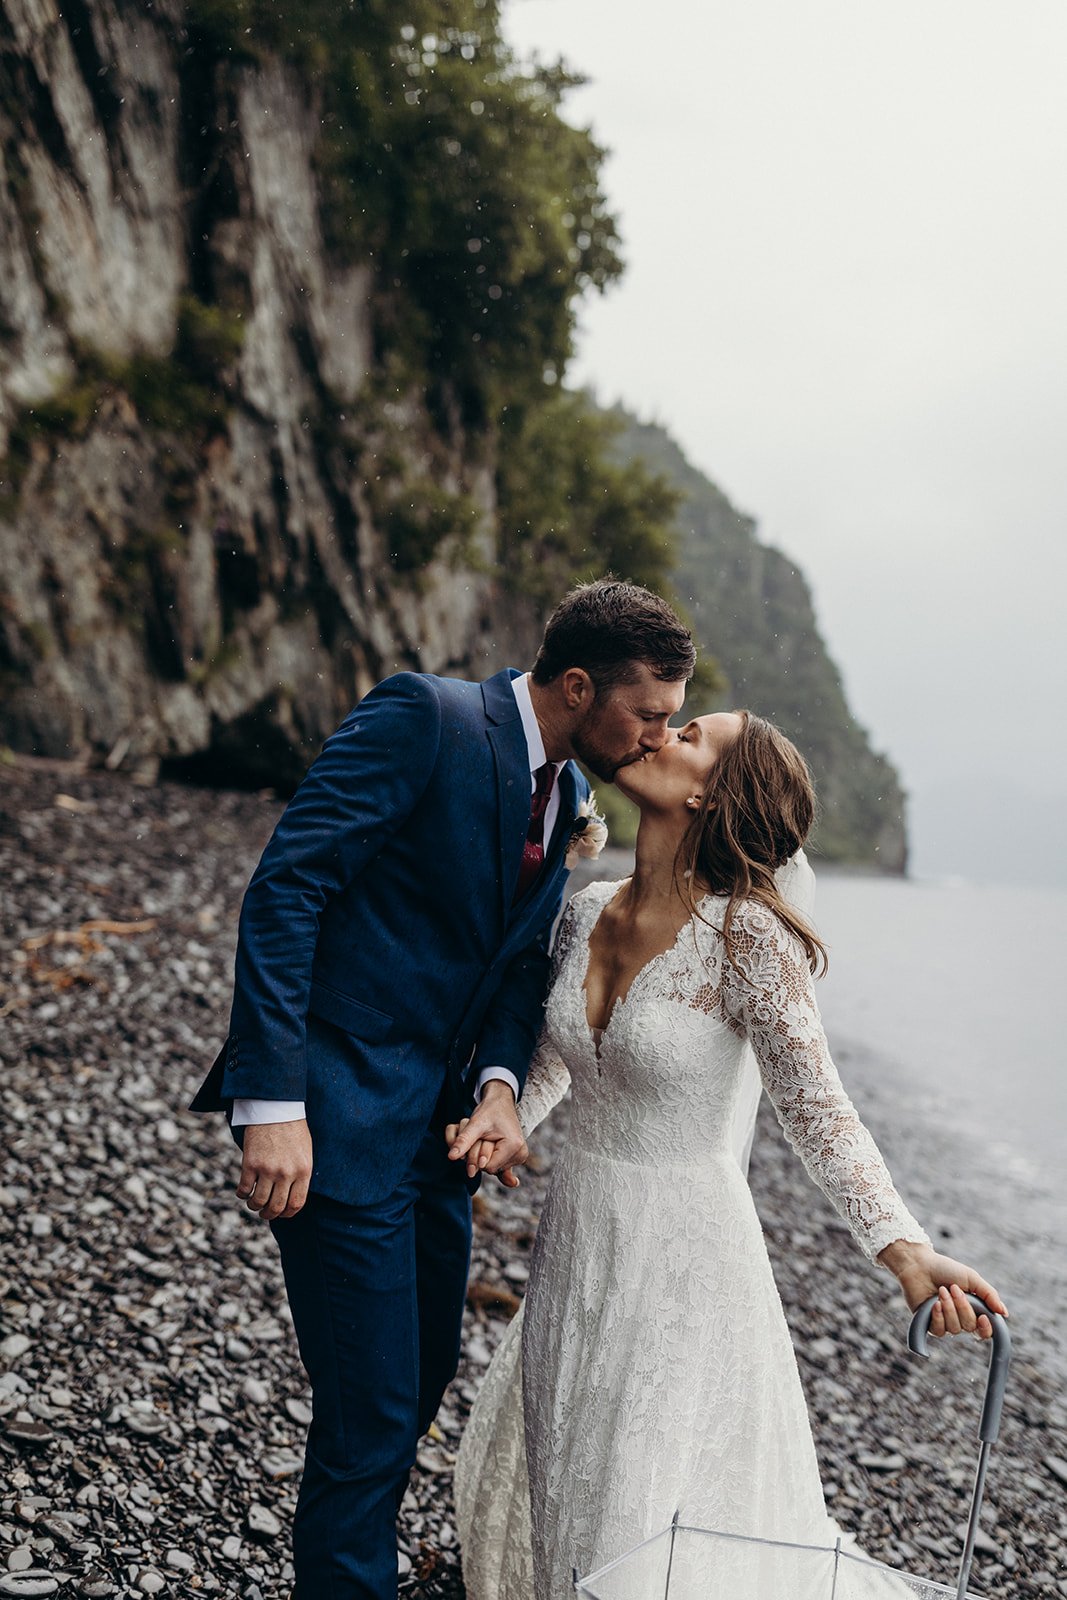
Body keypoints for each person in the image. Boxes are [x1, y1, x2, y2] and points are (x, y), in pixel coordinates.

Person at [189, 579, 697, 1600]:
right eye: (647, 715)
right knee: (372, 1417)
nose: (656, 738)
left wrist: (503, 1086)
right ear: (574, 684)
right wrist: (273, 1103)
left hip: (433, 1148)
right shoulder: (425, 716)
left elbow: (513, 967)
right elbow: (290, 886)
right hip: (332, 1119)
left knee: (413, 1391)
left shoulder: (566, 798)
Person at [449, 710, 1008, 1600]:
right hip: (575, 1250)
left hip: (683, 1263)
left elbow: (818, 1110)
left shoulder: (748, 936)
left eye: (689, 731)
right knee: (572, 1486)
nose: (658, 731)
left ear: (710, 790)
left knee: (638, 1518)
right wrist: (504, 1107)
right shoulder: (588, 906)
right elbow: (561, 1061)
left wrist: (905, 1253)